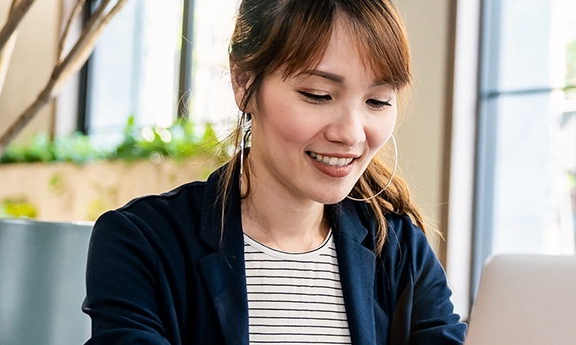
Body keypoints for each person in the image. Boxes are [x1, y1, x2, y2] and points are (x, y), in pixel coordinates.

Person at [82, 1, 466, 344]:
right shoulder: (143, 243)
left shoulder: (398, 249)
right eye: (318, 95)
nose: (350, 133)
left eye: (378, 101)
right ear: (243, 81)